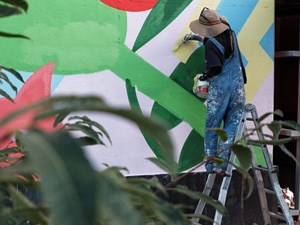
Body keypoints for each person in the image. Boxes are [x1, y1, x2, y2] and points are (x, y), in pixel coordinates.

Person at [183, 7, 246, 176]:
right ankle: (223, 165)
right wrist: (199, 38)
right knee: (231, 126)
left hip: (221, 91)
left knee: (213, 126)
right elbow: (220, 45)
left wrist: (204, 76)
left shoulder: (211, 44)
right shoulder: (231, 34)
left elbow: (215, 67)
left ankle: (211, 166)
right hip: (238, 88)